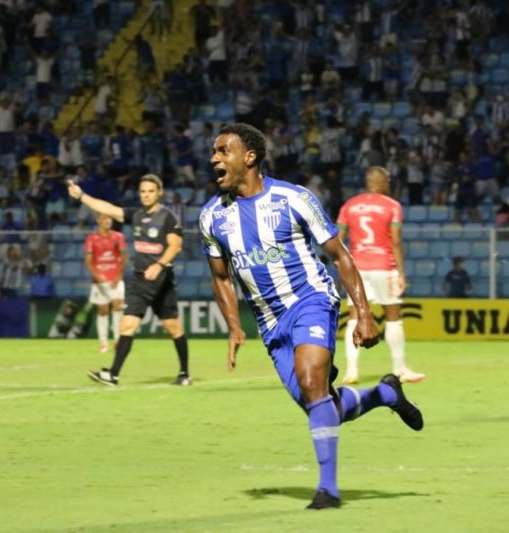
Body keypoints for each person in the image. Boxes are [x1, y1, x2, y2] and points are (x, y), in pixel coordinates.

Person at [199, 123, 423, 510]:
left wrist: (364, 313)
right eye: (214, 152)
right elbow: (220, 277)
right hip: (270, 322)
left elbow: (341, 256)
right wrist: (234, 326)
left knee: (311, 379)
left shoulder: (294, 199)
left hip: (311, 299)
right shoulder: (211, 217)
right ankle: (385, 393)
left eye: (223, 151)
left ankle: (328, 491)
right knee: (320, 402)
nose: (214, 158)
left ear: (249, 157)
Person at [66, 173, 191, 386]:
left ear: (159, 193)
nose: (146, 195)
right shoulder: (136, 215)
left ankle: (184, 374)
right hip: (140, 281)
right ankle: (113, 374)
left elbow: (175, 246)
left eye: (151, 191)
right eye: (143, 191)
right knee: (127, 327)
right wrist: (81, 196)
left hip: (162, 281)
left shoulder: (168, 218)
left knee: (174, 329)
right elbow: (107, 208)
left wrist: (159, 265)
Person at [336, 166, 425, 385]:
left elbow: (337, 239)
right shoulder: (392, 206)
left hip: (357, 268)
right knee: (393, 315)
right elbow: (395, 240)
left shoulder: (350, 205)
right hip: (384, 266)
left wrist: (343, 266)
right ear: (384, 182)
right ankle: (399, 369)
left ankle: (351, 371)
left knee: (355, 317)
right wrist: (401, 273)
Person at [84, 213, 128, 353]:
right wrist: (97, 276)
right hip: (99, 280)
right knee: (102, 310)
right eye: (104, 218)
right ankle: (103, 342)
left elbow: (124, 257)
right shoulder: (91, 239)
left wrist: (118, 276)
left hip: (116, 278)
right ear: (98, 221)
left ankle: (117, 340)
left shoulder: (118, 237)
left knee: (117, 307)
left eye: (109, 218)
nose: (108, 221)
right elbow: (88, 262)